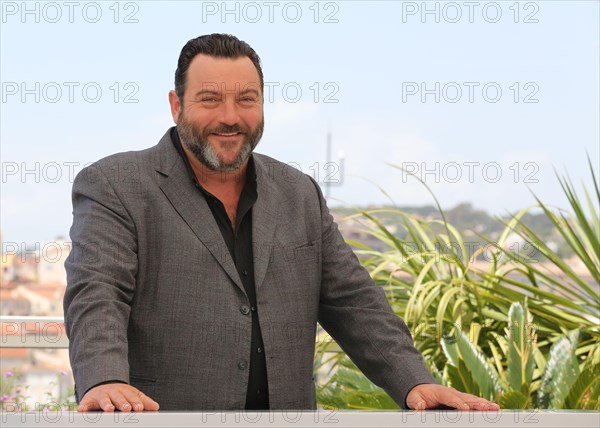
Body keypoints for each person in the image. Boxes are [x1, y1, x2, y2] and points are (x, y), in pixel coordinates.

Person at [63, 33, 499, 413]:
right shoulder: (114, 184)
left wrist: (415, 382)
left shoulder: (299, 192)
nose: (230, 116)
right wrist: (104, 379)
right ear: (177, 104)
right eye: (210, 99)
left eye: (246, 99)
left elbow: (354, 301)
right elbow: (98, 292)